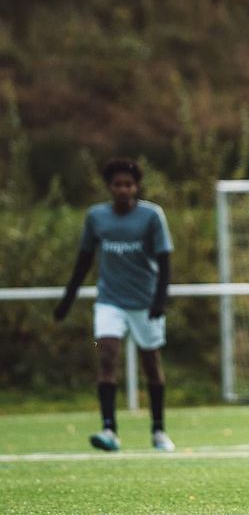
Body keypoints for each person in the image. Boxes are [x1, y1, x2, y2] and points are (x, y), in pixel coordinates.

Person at [54, 158, 175, 452]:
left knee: (151, 365)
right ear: (109, 187)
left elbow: (164, 260)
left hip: (145, 301)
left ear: (136, 187)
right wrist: (67, 300)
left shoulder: (151, 216)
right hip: (110, 300)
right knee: (107, 355)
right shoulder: (96, 218)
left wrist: (160, 300)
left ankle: (158, 431)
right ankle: (109, 430)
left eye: (129, 184)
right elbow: (84, 261)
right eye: (118, 184)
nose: (123, 189)